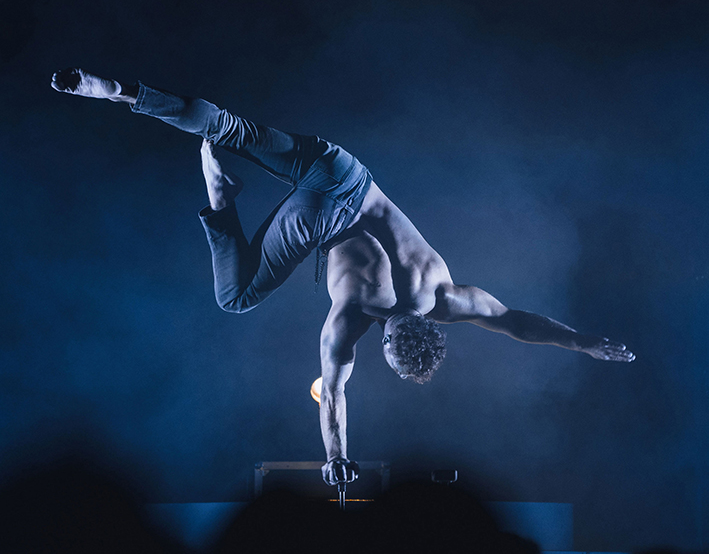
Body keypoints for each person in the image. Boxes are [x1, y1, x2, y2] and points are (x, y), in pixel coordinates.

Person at [51, 68, 636, 488]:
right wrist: (336, 458)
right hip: (320, 216)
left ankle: (119, 90)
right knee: (236, 297)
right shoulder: (352, 317)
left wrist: (583, 341)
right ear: (388, 339)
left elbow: (516, 321)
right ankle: (221, 198)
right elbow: (332, 395)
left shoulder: (447, 295)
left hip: (344, 169)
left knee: (231, 127)